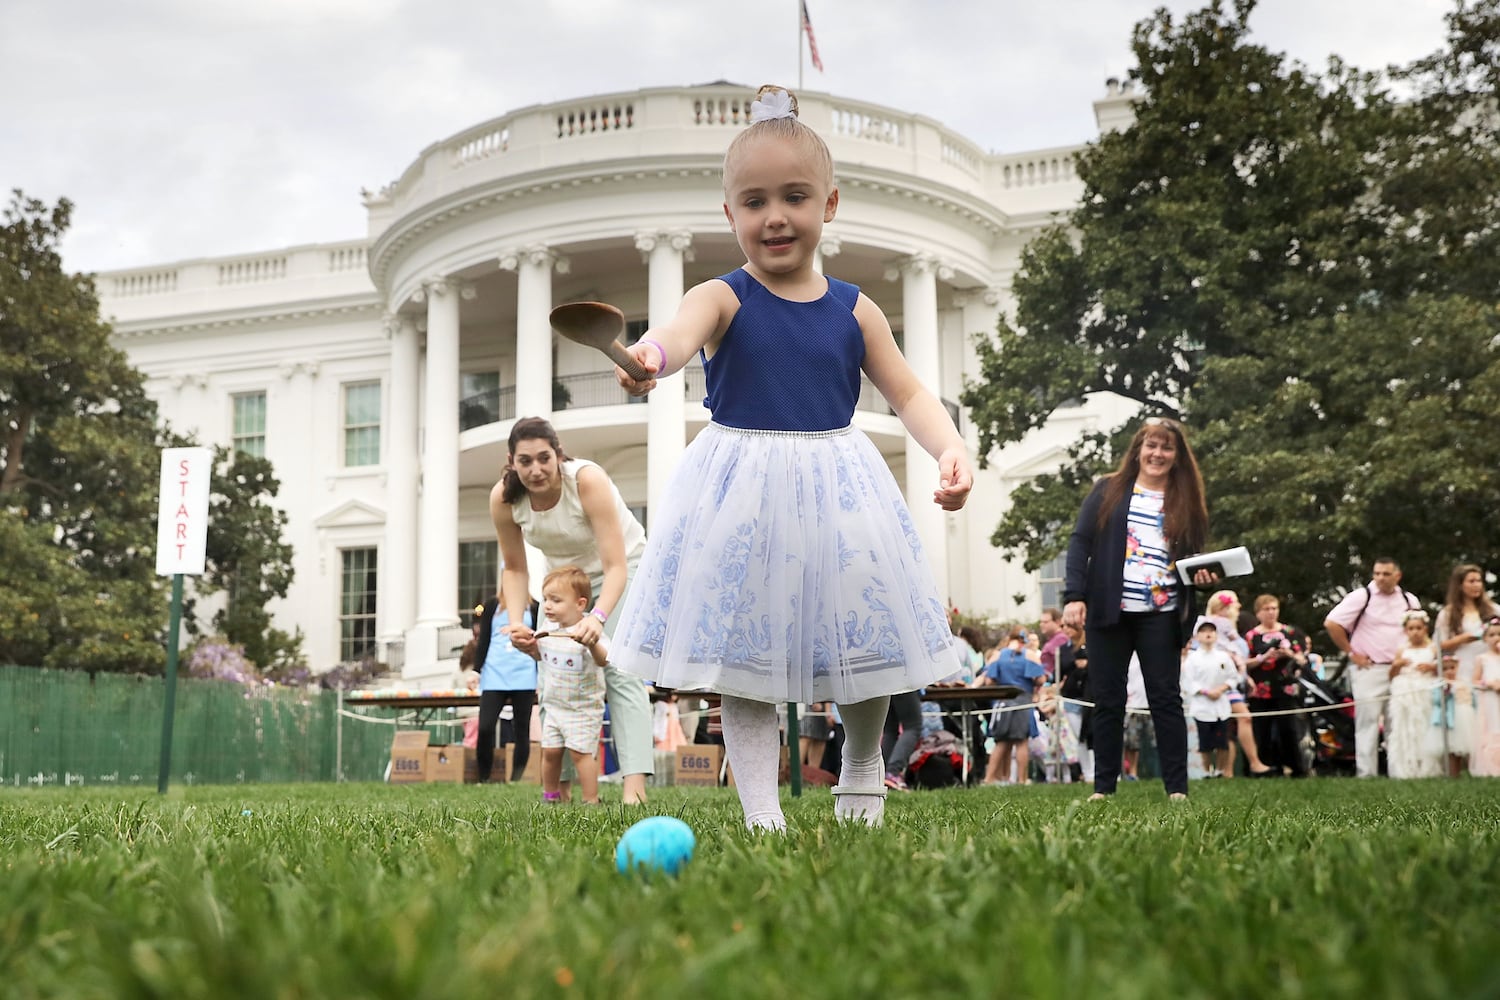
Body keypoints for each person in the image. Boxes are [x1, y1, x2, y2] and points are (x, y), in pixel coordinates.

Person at [605, 84, 974, 831]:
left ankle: (863, 769)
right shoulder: (723, 295)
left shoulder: (854, 308)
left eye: (795, 197)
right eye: (754, 201)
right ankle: (761, 811)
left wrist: (951, 448)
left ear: (829, 205)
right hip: (741, 490)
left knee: (866, 646)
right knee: (745, 659)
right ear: (730, 214)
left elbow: (907, 394)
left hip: (840, 486)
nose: (775, 215)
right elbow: (674, 334)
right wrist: (647, 355)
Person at [489, 415, 654, 804]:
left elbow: (615, 565)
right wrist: (517, 623)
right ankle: (558, 790)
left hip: (622, 571)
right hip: (564, 580)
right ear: (512, 461)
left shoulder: (586, 480)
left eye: (544, 458)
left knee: (619, 669)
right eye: (525, 461)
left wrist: (597, 618)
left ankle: (635, 789)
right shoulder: (504, 498)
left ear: (558, 455)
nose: (535, 469)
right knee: (555, 673)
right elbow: (514, 568)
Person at [1061, 416, 1215, 802]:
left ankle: (1177, 789)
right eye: (1151, 445)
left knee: (1166, 699)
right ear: (1138, 450)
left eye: (1167, 448)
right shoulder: (1107, 490)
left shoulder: (1187, 501)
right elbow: (1080, 544)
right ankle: (1104, 789)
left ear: (1177, 456)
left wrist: (1203, 576)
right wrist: (1074, 596)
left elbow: (1192, 558)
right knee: (1108, 699)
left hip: (1162, 614)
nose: (1157, 454)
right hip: (1108, 611)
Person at [1323, 558, 1422, 777]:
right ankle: (1366, 773)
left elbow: (1418, 630)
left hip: (1400, 669)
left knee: (1397, 721)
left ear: (1397, 575)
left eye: (1386, 574)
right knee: (1367, 722)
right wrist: (1351, 653)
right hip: (1370, 669)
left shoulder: (1408, 599)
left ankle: (1400, 772)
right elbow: (1332, 623)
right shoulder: (1362, 596)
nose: (1380, 578)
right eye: (1377, 573)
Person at [531, 566, 610, 804]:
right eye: (546, 599)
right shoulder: (547, 628)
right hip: (554, 706)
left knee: (581, 754)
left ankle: (590, 799)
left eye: (555, 600)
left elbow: (603, 660)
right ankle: (551, 795)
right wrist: (528, 644)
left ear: (580, 603)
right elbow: (540, 655)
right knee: (551, 752)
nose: (547, 606)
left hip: (582, 709)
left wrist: (591, 643)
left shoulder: (589, 628)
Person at [1198, 590, 1273, 777]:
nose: (1239, 606)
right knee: (1243, 717)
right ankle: (1254, 763)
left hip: (1229, 681)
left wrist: (1245, 676)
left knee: (1228, 728)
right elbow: (1228, 655)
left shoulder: (1221, 628)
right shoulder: (1219, 626)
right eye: (1236, 602)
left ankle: (1227, 772)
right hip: (1221, 683)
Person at [470, 595, 538, 783]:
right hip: (494, 674)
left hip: (524, 674)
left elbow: (538, 642)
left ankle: (516, 778)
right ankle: (483, 777)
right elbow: (484, 639)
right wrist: (476, 671)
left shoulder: (534, 606)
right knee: (485, 727)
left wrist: (541, 675)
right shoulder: (492, 605)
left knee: (521, 730)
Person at [1244, 594, 1312, 778]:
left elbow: (1302, 658)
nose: (1271, 612)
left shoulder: (1289, 632)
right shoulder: (1252, 636)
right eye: (1267, 609)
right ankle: (1265, 768)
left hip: (1285, 687)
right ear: (1258, 613)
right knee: (1262, 730)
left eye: (1274, 608)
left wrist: (1288, 654)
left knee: (1289, 728)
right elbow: (1244, 663)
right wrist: (1263, 658)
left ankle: (1296, 768)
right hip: (1260, 689)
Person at [973, 628, 1044, 785]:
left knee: (1001, 742)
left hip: (1002, 702)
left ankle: (989, 778)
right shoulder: (1030, 655)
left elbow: (989, 681)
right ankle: (1022, 779)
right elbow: (1040, 679)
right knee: (1021, 742)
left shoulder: (998, 655)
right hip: (1023, 701)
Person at [1386, 609, 1442, 779]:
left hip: (1426, 690)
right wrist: (1398, 664)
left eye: (1418, 628)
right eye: (1411, 628)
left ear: (1425, 629)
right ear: (1406, 631)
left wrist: (1432, 667)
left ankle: (1428, 767)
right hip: (1405, 691)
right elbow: (1391, 675)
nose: (1415, 632)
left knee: (1425, 726)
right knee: (1406, 728)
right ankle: (1406, 768)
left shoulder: (1433, 648)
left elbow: (1442, 671)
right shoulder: (1402, 649)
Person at [1185, 619, 1237, 779]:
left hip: (1221, 706)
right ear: (1197, 636)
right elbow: (1188, 681)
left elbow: (1233, 677)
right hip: (1202, 706)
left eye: (1211, 631)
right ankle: (1206, 771)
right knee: (1205, 744)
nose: (1208, 634)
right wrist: (1207, 692)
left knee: (1222, 742)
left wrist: (1221, 689)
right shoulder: (1192, 659)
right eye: (1204, 631)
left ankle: (1221, 771)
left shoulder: (1223, 657)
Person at [1435, 564, 1496, 687]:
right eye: (1471, 581)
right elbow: (1439, 645)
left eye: (1479, 581)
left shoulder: (1494, 610)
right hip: (1463, 665)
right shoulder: (1447, 614)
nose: (1477, 585)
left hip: (1489, 665)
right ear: (1460, 585)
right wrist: (1462, 639)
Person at [1471, 619, 1500, 776]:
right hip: (1490, 700)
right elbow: (1475, 681)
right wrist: (1489, 684)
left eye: (1499, 634)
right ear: (1485, 638)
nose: (1496, 638)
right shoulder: (1482, 659)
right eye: (1492, 635)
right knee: (1492, 728)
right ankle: (1490, 767)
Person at [881, 691, 922, 791]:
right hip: (903, 681)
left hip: (882, 684)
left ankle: (881, 774)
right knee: (913, 727)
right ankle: (893, 772)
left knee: (889, 731)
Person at [1038, 608, 1070, 681]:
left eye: (1045, 622)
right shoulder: (1052, 640)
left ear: (1058, 622)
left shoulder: (1061, 639)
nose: (1041, 625)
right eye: (1041, 622)